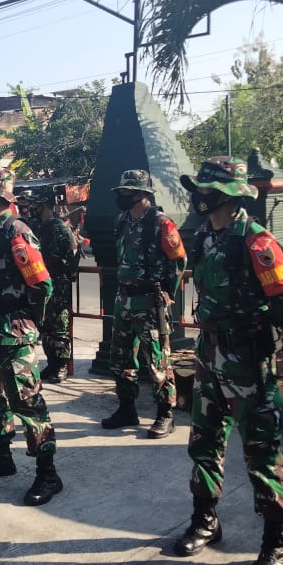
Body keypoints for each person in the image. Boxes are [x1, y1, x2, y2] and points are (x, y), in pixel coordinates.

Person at [175, 156, 283, 565]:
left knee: (261, 454)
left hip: (248, 363)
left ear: (229, 195)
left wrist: (268, 343)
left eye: (206, 190)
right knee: (204, 442)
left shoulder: (258, 241)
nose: (199, 196)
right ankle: (205, 520)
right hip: (210, 357)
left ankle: (276, 543)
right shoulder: (204, 237)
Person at [0, 167, 61, 506]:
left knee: (28, 404)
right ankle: (1, 457)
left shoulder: (16, 231)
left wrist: (27, 322)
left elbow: (41, 285)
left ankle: (48, 474)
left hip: (12, 336)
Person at [103, 170, 187, 436]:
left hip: (150, 301)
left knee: (157, 360)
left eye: (125, 192)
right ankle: (127, 409)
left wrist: (167, 293)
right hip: (124, 298)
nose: (120, 197)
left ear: (141, 194)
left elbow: (179, 261)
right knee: (121, 358)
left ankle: (165, 414)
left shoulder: (161, 224)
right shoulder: (122, 221)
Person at [26, 185, 80, 384]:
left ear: (47, 205)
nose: (33, 208)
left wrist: (62, 268)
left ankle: (62, 365)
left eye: (37, 205)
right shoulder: (37, 227)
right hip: (41, 283)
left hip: (58, 284)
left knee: (59, 327)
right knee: (45, 327)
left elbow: (72, 256)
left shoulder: (59, 228)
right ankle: (52, 363)